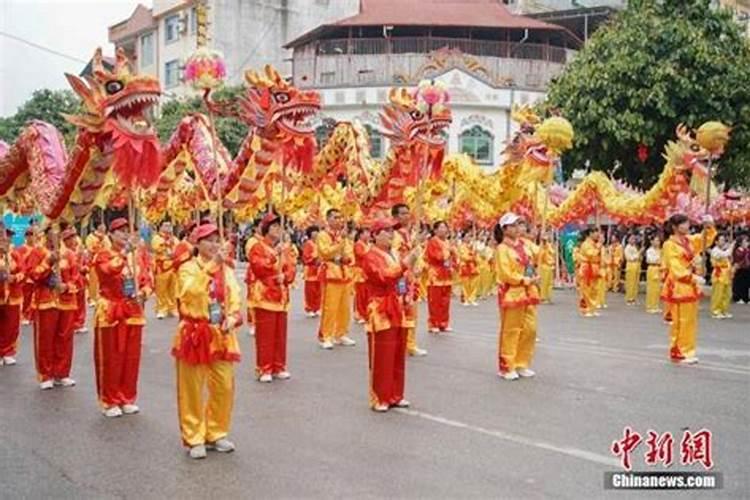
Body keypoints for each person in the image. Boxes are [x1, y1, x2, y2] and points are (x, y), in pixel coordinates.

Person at [173, 223, 242, 459]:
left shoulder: (227, 270)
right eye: (209, 240)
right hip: (195, 331)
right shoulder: (187, 268)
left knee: (223, 385)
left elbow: (234, 295)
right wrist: (213, 266)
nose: (214, 244)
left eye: (216, 239)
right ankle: (194, 436)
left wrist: (232, 316)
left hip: (220, 333)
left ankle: (217, 432)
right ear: (197, 244)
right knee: (192, 387)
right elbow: (189, 292)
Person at [92, 219, 149, 417]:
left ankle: (127, 397)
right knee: (111, 357)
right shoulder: (103, 255)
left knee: (131, 357)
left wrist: (144, 292)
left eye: (127, 231)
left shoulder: (137, 256)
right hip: (111, 310)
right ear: (111, 234)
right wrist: (125, 254)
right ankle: (109, 400)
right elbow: (108, 272)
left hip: (133, 309)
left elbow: (146, 280)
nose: (125, 235)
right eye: (120, 232)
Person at [362, 217, 419, 411]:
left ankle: (396, 394)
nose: (390, 234)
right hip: (380, 307)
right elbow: (383, 277)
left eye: (391, 231)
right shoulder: (370, 256)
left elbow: (403, 278)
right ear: (375, 235)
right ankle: (380, 396)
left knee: (397, 352)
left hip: (398, 305)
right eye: (385, 231)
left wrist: (409, 290)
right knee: (382, 354)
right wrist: (405, 264)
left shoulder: (394, 254)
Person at [26, 226, 78, 389]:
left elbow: (77, 278)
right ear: (46, 233)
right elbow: (33, 274)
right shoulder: (38, 252)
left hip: (66, 301)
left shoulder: (69, 254)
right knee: (45, 338)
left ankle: (62, 373)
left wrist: (67, 286)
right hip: (46, 300)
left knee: (65, 338)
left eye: (58, 231)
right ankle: (45, 374)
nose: (55, 234)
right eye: (52, 231)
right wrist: (49, 262)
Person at [661, 214, 716, 364]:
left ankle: (688, 350)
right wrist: (692, 277)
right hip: (679, 285)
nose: (687, 226)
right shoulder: (669, 245)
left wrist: (708, 225)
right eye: (684, 224)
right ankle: (679, 350)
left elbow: (705, 240)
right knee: (681, 320)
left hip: (690, 286)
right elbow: (675, 267)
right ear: (675, 227)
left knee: (690, 321)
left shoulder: (689, 240)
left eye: (687, 223)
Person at [248, 214, 296, 382]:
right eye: (274, 226)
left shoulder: (284, 248)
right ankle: (264, 368)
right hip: (265, 295)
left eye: (279, 227)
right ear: (266, 229)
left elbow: (291, 267)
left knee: (280, 334)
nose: (277, 230)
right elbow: (258, 267)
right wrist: (274, 255)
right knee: (265, 335)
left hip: (281, 296)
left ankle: (279, 366)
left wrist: (286, 276)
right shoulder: (258, 247)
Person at [494, 213, 539, 380]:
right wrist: (525, 279)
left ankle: (522, 362)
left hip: (528, 291)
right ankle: (507, 366)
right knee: (511, 331)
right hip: (512, 293)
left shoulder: (525, 245)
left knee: (530, 329)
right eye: (513, 225)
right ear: (505, 229)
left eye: (518, 224)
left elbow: (536, 259)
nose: (517, 228)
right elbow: (506, 274)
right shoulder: (501, 249)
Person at [317, 208, 356, 349]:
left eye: (340, 217)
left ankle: (341, 333)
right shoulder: (323, 235)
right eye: (335, 217)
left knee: (345, 307)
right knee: (330, 307)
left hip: (344, 273)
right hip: (331, 274)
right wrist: (340, 246)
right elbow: (325, 252)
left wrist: (345, 257)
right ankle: (326, 335)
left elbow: (349, 254)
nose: (338, 220)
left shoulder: (343, 236)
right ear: (328, 219)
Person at [391, 203, 427, 357]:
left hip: (411, 278)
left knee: (412, 310)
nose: (407, 216)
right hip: (400, 278)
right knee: (399, 309)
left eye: (408, 213)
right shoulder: (394, 236)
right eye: (403, 213)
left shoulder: (411, 234)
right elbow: (396, 257)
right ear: (395, 217)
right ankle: (397, 343)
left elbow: (417, 255)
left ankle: (410, 344)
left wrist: (419, 266)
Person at [0, 229, 24, 365]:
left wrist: (14, 278)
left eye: (7, 239)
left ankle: (7, 351)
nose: (5, 241)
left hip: (13, 295)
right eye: (2, 238)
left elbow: (24, 271)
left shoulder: (15, 255)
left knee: (11, 324)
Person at [425, 220, 455, 333]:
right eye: (441, 228)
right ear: (435, 230)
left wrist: (453, 258)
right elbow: (436, 256)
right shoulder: (432, 242)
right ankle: (434, 323)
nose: (443, 230)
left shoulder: (448, 242)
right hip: (435, 274)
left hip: (446, 274)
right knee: (435, 301)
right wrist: (448, 252)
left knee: (445, 301)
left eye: (445, 227)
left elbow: (453, 257)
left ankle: (444, 322)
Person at [151, 221, 177, 319]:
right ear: (160, 227)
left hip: (172, 266)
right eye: (165, 225)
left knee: (172, 289)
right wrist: (166, 244)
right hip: (162, 266)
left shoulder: (174, 238)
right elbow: (156, 247)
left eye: (169, 225)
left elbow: (177, 249)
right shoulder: (157, 238)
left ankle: (172, 309)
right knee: (161, 289)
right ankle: (162, 309)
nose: (168, 227)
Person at [576, 227, 603, 317]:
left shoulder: (593, 244)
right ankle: (586, 309)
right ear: (590, 233)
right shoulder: (586, 244)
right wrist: (599, 246)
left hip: (594, 267)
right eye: (595, 232)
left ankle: (593, 308)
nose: (597, 235)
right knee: (586, 289)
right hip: (587, 267)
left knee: (594, 289)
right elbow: (591, 254)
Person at [85, 223, 111, 307]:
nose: (103, 227)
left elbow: (108, 248)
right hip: (94, 262)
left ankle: (100, 297)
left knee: (102, 281)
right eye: (101, 226)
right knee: (93, 281)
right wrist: (97, 246)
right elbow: (90, 248)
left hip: (103, 262)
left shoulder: (106, 237)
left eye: (104, 226)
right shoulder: (90, 237)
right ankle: (91, 298)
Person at [710, 234, 734, 319]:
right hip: (719, 274)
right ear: (716, 242)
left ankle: (724, 310)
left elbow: (728, 258)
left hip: (726, 274)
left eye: (724, 240)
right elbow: (724, 254)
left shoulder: (723, 250)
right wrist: (731, 247)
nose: (723, 242)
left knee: (727, 294)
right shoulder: (715, 250)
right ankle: (716, 311)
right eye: (721, 240)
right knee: (718, 294)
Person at [244, 224, 261, 335]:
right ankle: (252, 323)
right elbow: (251, 257)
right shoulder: (252, 241)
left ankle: (260, 323)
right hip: (254, 272)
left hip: (264, 273)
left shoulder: (265, 240)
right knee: (252, 298)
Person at [353, 226, 372, 323]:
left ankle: (366, 313)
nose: (368, 235)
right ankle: (359, 314)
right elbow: (362, 255)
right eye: (366, 233)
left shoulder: (368, 244)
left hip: (367, 272)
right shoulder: (358, 244)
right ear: (361, 235)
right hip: (360, 272)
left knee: (367, 294)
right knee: (360, 294)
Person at [301, 225, 321, 317]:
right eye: (313, 231)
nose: (315, 233)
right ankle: (309, 308)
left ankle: (316, 307)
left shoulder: (320, 243)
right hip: (310, 269)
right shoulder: (308, 244)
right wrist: (314, 258)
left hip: (319, 269)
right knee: (310, 291)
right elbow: (305, 257)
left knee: (318, 290)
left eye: (317, 231)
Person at [458, 231, 480, 306]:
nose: (468, 238)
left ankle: (472, 299)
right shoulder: (461, 246)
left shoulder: (473, 246)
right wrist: (472, 256)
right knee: (465, 284)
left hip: (473, 267)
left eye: (469, 236)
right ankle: (466, 299)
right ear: (463, 238)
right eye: (466, 237)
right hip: (465, 267)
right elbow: (464, 257)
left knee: (474, 284)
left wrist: (475, 254)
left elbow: (477, 258)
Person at [644, 234, 663, 313]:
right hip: (652, 268)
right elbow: (650, 260)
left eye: (658, 241)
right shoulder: (649, 250)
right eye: (656, 240)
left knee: (657, 288)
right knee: (651, 287)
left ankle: (656, 305)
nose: (657, 242)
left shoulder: (660, 251)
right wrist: (659, 258)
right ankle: (650, 305)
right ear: (651, 242)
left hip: (659, 269)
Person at [538, 231, 556, 304]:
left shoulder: (549, 246)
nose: (545, 241)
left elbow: (553, 253)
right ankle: (543, 297)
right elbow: (542, 257)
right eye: (544, 240)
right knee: (544, 282)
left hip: (550, 266)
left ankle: (548, 297)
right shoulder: (541, 248)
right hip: (544, 266)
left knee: (550, 283)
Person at [623, 234, 641, 305]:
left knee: (635, 283)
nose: (633, 240)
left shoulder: (635, 247)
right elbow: (629, 257)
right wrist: (638, 254)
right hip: (630, 265)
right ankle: (629, 298)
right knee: (630, 283)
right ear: (628, 240)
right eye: (632, 238)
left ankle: (634, 298)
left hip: (636, 265)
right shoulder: (627, 248)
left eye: (634, 239)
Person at [732, 235, 750, 304]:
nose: (747, 243)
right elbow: (738, 258)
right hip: (740, 269)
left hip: (747, 268)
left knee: (746, 284)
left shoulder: (747, 250)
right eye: (745, 241)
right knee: (739, 284)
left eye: (747, 241)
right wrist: (746, 252)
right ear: (740, 243)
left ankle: (746, 298)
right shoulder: (738, 250)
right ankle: (738, 297)